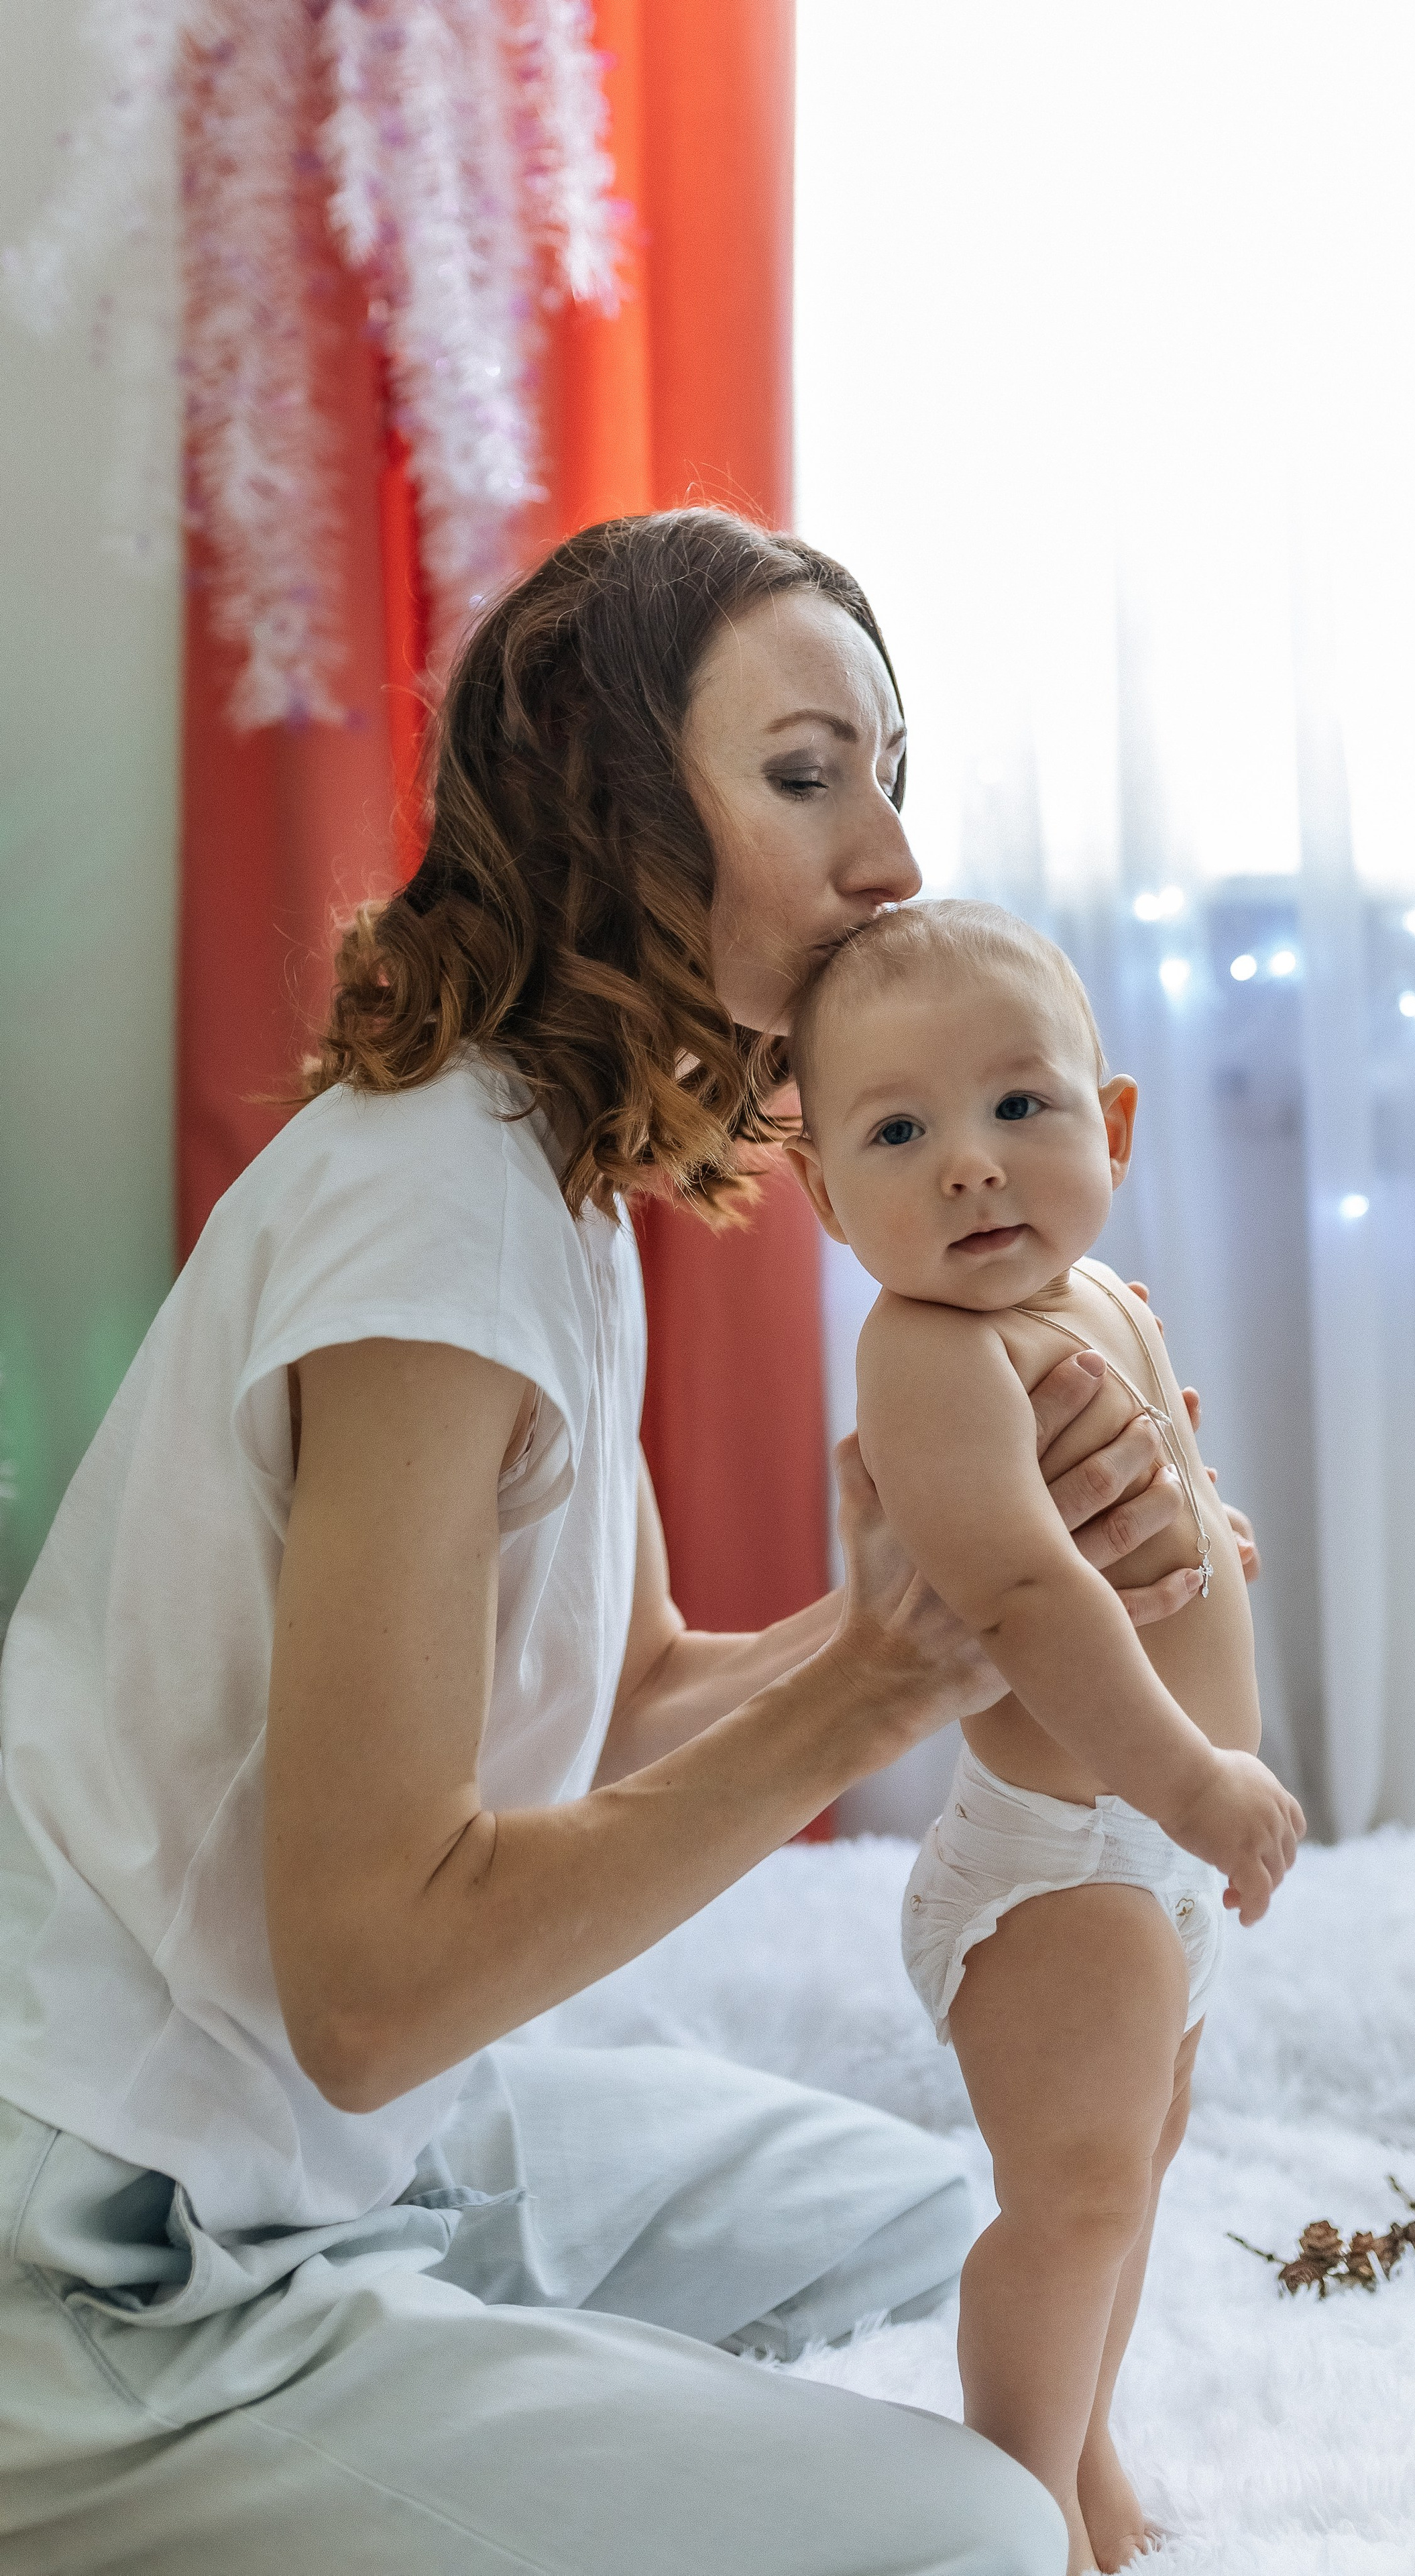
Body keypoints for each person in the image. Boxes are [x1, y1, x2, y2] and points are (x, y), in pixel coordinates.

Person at [0, 512, 1256, 2576]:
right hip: (119, 2250)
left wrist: (973, 1606)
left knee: (966, 2218)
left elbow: (634, 1695)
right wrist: (881, 1676)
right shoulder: (435, 1215)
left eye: (889, 773)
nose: (892, 861)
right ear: (607, 811)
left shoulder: (544, 1165)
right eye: (802, 774)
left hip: (339, 2153)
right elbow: (377, 1990)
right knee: (972, 2535)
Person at [785, 900, 1306, 2574]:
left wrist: (1207, 1534)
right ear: (819, 1193)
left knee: (1128, 2179)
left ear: (1115, 1126)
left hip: (1147, 1860)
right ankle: (1009, 2499)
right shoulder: (927, 1352)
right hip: (1060, 1863)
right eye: (895, 1129)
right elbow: (1017, 1594)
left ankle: (1080, 2446)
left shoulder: (1100, 1303)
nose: (967, 1165)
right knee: (1067, 2195)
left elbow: (1155, 1507)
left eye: (1019, 1106)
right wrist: (1192, 1778)